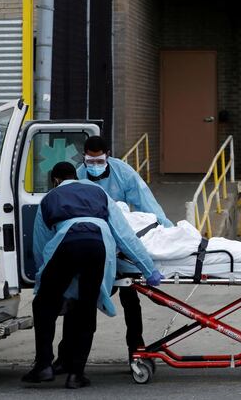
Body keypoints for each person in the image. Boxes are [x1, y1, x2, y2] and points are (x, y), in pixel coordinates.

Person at [22, 162, 162, 389]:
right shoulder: (98, 192)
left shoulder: (50, 198)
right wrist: (148, 269)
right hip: (98, 246)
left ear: (55, 180)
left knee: (43, 305)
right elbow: (124, 236)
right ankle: (76, 375)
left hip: (66, 243)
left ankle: (44, 365)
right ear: (76, 176)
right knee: (86, 309)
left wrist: (44, 281)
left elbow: (40, 245)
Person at [72, 135, 173, 362]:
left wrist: (169, 231)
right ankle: (74, 358)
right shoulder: (79, 175)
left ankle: (135, 349)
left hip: (123, 241)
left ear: (108, 155)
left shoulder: (123, 173)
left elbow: (146, 204)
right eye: (91, 161)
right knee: (87, 301)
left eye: (100, 161)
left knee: (130, 299)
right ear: (84, 158)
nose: (95, 166)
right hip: (96, 243)